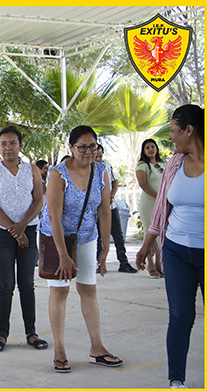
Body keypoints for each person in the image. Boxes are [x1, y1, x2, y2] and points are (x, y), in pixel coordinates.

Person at [40, 125, 122, 373]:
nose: (88, 152)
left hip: (87, 237)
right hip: (56, 239)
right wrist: (64, 255)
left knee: (89, 289)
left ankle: (97, 348)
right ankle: (59, 350)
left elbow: (105, 210)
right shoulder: (58, 173)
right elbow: (54, 217)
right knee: (60, 292)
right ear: (71, 148)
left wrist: (106, 248)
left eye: (93, 146)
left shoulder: (101, 172)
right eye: (82, 147)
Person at [136, 104, 204, 389]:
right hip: (175, 249)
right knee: (179, 316)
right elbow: (162, 208)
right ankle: (176, 381)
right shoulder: (174, 164)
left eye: (174, 132)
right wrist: (147, 246)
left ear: (189, 130)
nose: (171, 138)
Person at [0, 126, 48, 351]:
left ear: (21, 146)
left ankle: (31, 333)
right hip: (1, 234)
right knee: (6, 284)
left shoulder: (32, 170)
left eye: (12, 143)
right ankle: (2, 334)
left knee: (26, 284)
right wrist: (14, 229)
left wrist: (22, 228)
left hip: (28, 232)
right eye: (3, 143)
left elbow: (38, 201)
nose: (8, 147)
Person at [94, 144, 138, 273]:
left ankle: (123, 262)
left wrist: (111, 195)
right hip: (95, 208)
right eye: (96, 157)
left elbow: (115, 181)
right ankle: (99, 263)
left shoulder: (107, 165)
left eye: (100, 156)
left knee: (118, 235)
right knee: (97, 237)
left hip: (110, 206)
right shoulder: (88, 167)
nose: (98, 159)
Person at [135, 138, 166, 278]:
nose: (150, 149)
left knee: (161, 232)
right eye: (147, 147)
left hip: (163, 203)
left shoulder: (164, 164)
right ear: (144, 151)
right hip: (149, 202)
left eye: (152, 146)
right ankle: (151, 265)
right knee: (150, 232)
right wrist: (158, 196)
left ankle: (160, 265)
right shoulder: (142, 165)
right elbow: (143, 185)